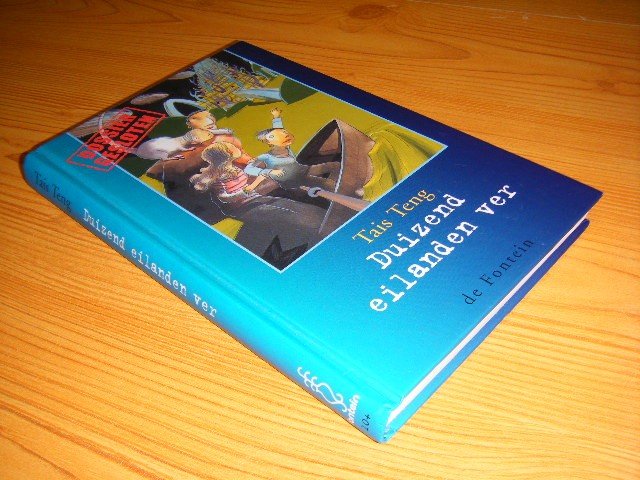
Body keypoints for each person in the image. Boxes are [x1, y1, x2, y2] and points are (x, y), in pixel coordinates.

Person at [244, 108, 340, 192]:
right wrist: (269, 172)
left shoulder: (286, 147)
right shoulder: (266, 157)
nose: (285, 135)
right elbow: (248, 169)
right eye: (273, 136)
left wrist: (276, 117)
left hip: (302, 170)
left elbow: (279, 130)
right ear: (269, 142)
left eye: (284, 132)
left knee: (335, 165)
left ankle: (335, 186)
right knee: (329, 184)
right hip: (293, 181)